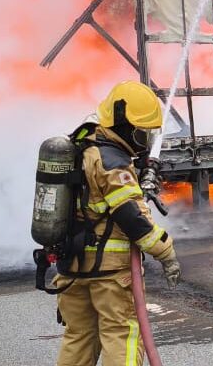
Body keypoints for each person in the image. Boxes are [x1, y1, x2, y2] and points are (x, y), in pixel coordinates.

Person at [56, 81, 181, 366]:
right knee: (121, 335)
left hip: (71, 267)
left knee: (79, 337)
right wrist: (166, 252)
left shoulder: (80, 147)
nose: (145, 140)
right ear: (127, 126)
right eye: (142, 132)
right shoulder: (113, 162)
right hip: (108, 272)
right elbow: (132, 218)